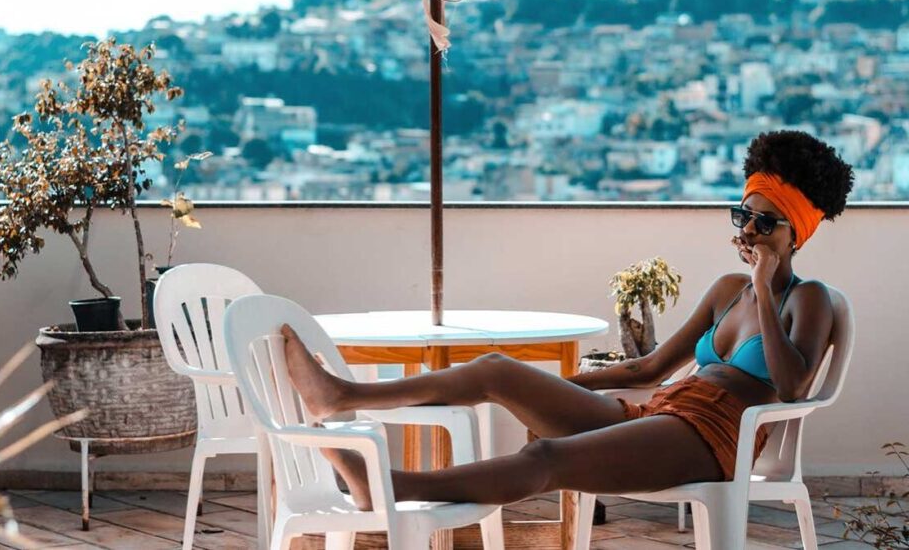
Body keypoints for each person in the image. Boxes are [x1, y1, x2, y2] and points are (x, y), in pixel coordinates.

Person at [283, 130, 854, 510]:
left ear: (796, 231)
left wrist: (763, 282)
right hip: (660, 411)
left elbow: (790, 385)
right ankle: (341, 395)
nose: (748, 231)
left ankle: (385, 488)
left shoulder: (810, 300)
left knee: (546, 460)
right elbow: (649, 367)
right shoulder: (726, 290)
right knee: (497, 371)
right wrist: (565, 388)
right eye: (743, 215)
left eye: (766, 222)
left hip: (716, 437)